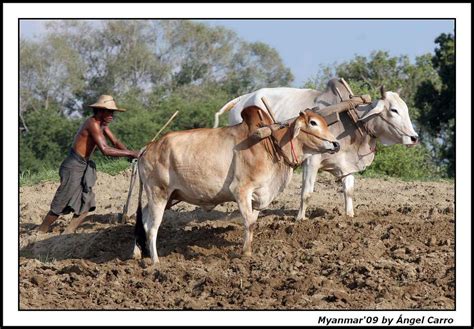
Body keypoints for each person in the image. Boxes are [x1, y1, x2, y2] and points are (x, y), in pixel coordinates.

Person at [37, 95, 140, 234]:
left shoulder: (102, 125)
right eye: (109, 112)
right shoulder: (92, 124)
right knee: (61, 201)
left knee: (87, 201)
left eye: (113, 113)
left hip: (83, 165)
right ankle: (40, 231)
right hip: (73, 165)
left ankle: (68, 233)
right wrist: (130, 153)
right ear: (100, 111)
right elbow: (105, 150)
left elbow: (115, 142)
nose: (112, 115)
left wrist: (131, 154)